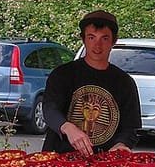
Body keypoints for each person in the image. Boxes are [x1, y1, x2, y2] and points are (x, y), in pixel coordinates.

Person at [41, 10, 141, 156]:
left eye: (105, 38)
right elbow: (50, 109)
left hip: (104, 164)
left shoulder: (124, 82)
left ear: (114, 41)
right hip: (59, 159)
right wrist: (68, 127)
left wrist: (121, 144)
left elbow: (130, 128)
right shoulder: (62, 74)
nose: (97, 45)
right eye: (91, 37)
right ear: (83, 39)